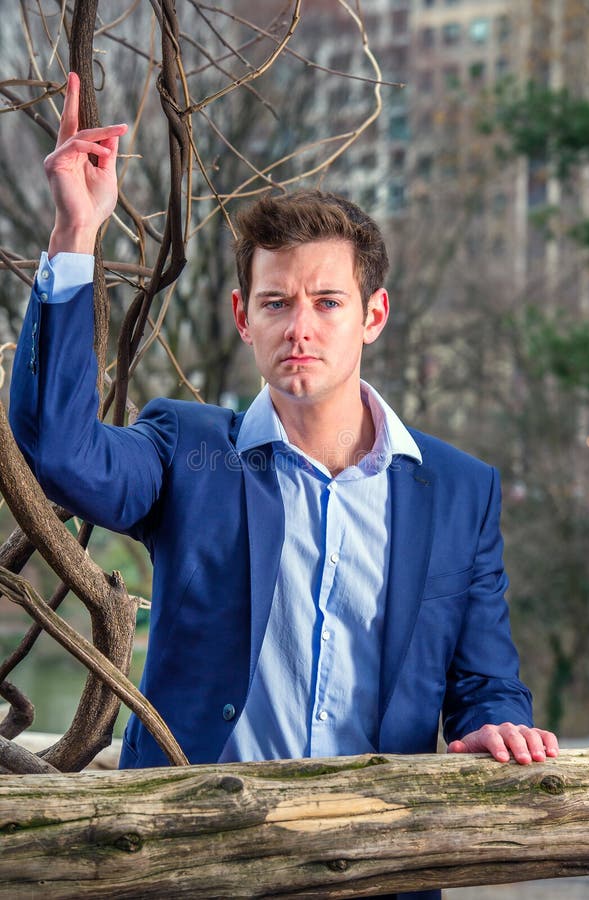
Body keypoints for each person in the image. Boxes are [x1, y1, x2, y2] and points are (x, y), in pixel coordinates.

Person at [9, 74, 558, 900]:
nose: (299, 326)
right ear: (243, 315)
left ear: (372, 315)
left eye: (326, 301)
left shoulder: (456, 490)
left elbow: (483, 681)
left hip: (378, 864)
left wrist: (497, 730)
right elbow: (59, 452)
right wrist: (76, 233)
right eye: (276, 302)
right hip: (192, 862)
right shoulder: (190, 452)